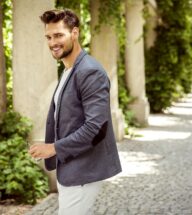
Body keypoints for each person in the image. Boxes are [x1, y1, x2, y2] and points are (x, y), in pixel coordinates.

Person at [28, 9, 122, 215]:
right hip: (70, 166)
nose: (53, 42)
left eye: (59, 35)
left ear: (75, 33)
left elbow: (96, 127)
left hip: (83, 169)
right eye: (49, 37)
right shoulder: (69, 69)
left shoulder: (89, 71)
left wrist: (53, 148)